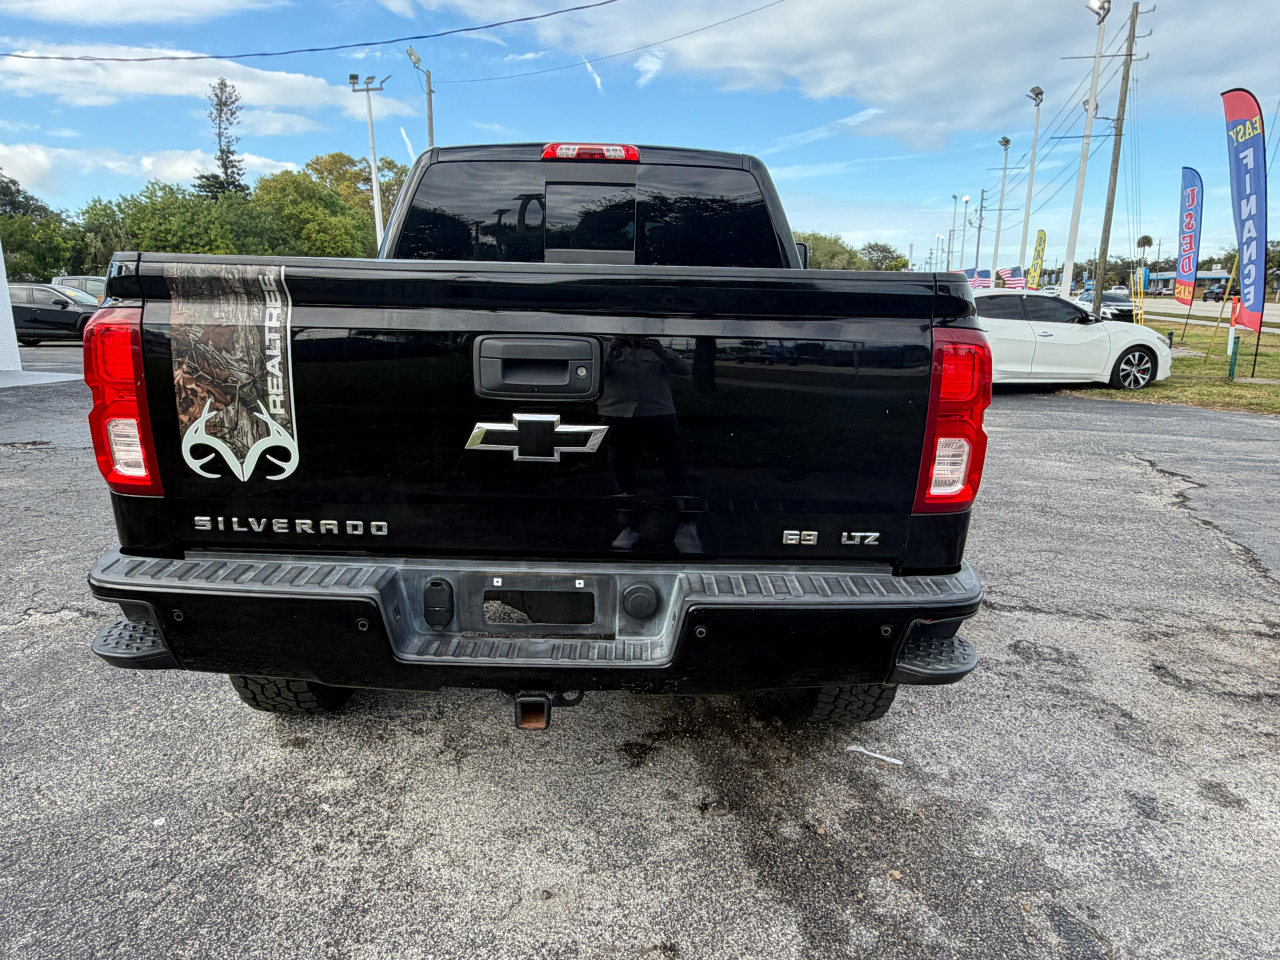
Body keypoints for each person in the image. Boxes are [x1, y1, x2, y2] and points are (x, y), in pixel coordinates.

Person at [598, 335, 701, 553]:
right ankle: (629, 527)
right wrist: (611, 350)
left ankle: (686, 525)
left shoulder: (657, 345)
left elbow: (684, 369)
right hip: (616, 413)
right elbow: (594, 372)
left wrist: (661, 352)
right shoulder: (605, 346)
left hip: (659, 412)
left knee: (674, 466)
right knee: (621, 469)